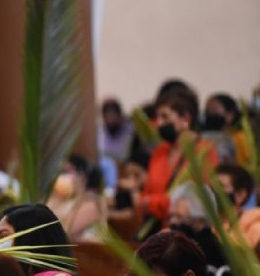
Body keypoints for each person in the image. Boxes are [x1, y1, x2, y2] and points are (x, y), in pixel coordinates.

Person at [138, 88, 218, 224]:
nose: (158, 123)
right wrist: (153, 203)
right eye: (157, 117)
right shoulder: (160, 151)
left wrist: (153, 203)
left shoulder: (204, 151)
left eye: (165, 117)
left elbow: (195, 200)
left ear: (185, 119)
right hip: (157, 228)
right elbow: (146, 195)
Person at [47, 154, 105, 242]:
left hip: (83, 253)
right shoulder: (66, 199)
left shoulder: (92, 204)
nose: (61, 176)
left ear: (82, 176)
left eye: (66, 172)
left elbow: (64, 231)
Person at [167, 182, 226, 268]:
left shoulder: (208, 253)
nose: (173, 222)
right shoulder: (176, 245)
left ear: (200, 220)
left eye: (179, 217)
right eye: (172, 216)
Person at [217, 164, 260, 249]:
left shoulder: (256, 225)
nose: (214, 191)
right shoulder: (218, 224)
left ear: (240, 195)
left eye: (220, 186)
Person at [206, 93, 249, 165]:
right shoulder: (207, 137)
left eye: (214, 111)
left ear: (230, 114)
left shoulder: (241, 137)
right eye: (207, 111)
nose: (210, 114)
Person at [100, 98, 134, 163]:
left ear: (120, 117)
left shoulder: (130, 130)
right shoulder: (100, 133)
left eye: (113, 117)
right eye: (107, 117)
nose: (110, 121)